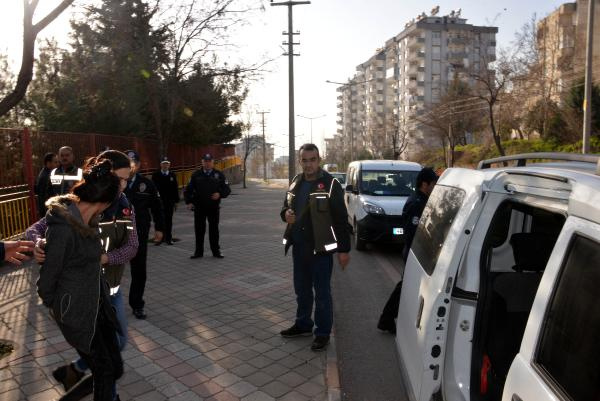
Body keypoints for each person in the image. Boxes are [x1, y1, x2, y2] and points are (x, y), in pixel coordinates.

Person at [27, 150, 137, 400]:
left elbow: (133, 246)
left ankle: (75, 378)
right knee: (106, 370)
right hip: (80, 310)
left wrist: (105, 258)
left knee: (113, 366)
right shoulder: (69, 218)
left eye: (127, 180)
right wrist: (39, 244)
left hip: (104, 298)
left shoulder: (123, 208)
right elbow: (38, 232)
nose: (124, 186)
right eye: (120, 180)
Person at [279, 144, 351, 352]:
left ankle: (322, 333)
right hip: (299, 248)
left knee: (322, 293)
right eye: (304, 160)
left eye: (312, 160)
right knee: (301, 290)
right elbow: (285, 208)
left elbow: (340, 220)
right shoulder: (295, 182)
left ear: (319, 160)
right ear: (300, 161)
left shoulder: (330, 184)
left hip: (321, 250)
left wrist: (344, 250)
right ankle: (303, 324)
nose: (308, 164)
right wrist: (285, 214)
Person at [377, 167, 438, 334]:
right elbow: (413, 234)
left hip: (415, 253)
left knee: (406, 287)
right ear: (424, 184)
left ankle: (388, 319)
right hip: (414, 252)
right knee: (405, 287)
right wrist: (417, 256)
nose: (435, 186)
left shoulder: (422, 200)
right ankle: (387, 319)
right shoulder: (416, 203)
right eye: (433, 183)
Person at [124, 150, 164, 320]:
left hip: (139, 233)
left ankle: (137, 304)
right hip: (115, 233)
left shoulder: (146, 184)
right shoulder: (112, 183)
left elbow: (157, 207)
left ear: (138, 165)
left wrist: (160, 228)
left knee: (139, 270)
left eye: (133, 162)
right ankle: (109, 303)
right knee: (110, 270)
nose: (130, 165)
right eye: (126, 162)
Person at [184, 153, 230, 259]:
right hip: (199, 208)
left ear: (213, 162)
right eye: (205, 161)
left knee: (214, 230)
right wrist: (189, 202)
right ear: (202, 162)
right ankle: (198, 252)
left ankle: (216, 251)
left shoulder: (219, 174)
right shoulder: (196, 175)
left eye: (209, 161)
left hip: (213, 208)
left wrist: (220, 194)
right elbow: (188, 190)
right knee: (199, 230)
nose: (207, 163)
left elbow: (227, 189)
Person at [152, 156, 180, 245]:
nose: (165, 165)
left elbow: (175, 189)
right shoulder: (156, 175)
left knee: (169, 220)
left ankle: (168, 238)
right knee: (159, 221)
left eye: (167, 164)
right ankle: (159, 239)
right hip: (158, 202)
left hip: (169, 202)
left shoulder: (172, 175)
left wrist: (176, 201)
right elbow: (153, 189)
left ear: (169, 165)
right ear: (161, 165)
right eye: (164, 163)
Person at [35, 152, 58, 217]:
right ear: (48, 163)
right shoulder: (46, 176)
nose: (57, 164)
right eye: (55, 162)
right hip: (47, 209)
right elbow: (45, 196)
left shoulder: (47, 173)